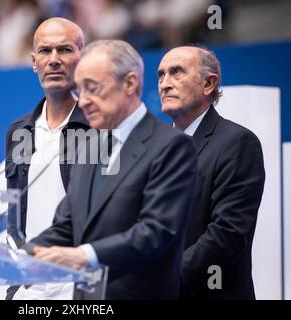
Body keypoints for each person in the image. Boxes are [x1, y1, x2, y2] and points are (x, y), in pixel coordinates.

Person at [31, 40, 197, 299]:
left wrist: (83, 256)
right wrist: (24, 257)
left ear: (129, 83)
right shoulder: (88, 146)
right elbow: (68, 224)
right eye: (78, 91)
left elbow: (155, 232)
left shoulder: (171, 146)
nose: (83, 101)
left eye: (92, 89)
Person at [157, 46, 265, 299]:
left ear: (208, 83)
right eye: (161, 75)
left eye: (176, 72)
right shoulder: (153, 146)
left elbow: (226, 236)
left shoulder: (237, 142)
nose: (165, 83)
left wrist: (162, 281)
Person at [5, 18, 89, 299]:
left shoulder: (99, 128)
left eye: (65, 50)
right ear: (33, 61)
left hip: (77, 284)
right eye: (45, 51)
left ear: (83, 58)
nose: (54, 60)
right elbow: (14, 208)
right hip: (29, 285)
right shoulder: (19, 132)